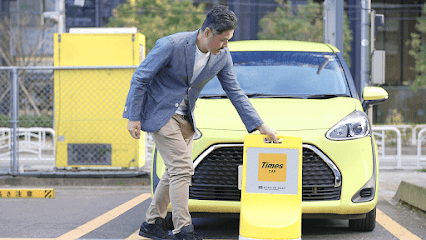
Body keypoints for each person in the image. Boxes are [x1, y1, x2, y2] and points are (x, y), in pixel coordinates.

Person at [123, 5, 278, 240]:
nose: (226, 44)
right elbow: (141, 77)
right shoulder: (172, 45)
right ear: (207, 33)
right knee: (183, 169)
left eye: (229, 39)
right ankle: (183, 229)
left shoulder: (222, 57)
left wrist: (260, 125)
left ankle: (153, 222)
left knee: (174, 171)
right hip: (160, 113)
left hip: (186, 118)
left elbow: (235, 92)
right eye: (223, 39)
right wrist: (133, 116)